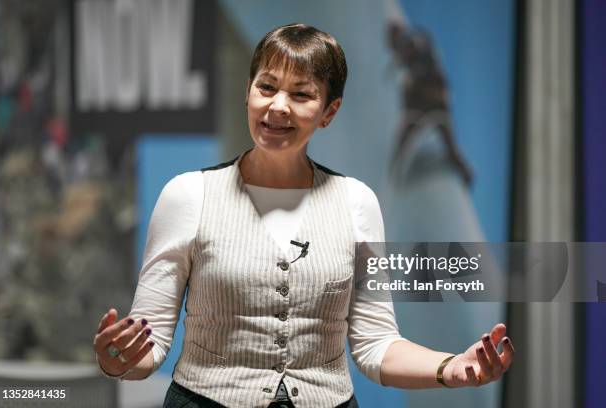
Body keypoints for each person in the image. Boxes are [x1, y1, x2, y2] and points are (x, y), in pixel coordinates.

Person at [92, 23, 514, 408]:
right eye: (267, 87)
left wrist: (451, 368)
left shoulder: (356, 202)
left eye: (301, 94)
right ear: (248, 92)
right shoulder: (188, 195)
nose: (278, 107)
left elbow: (374, 345)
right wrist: (118, 360)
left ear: (329, 111)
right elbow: (149, 345)